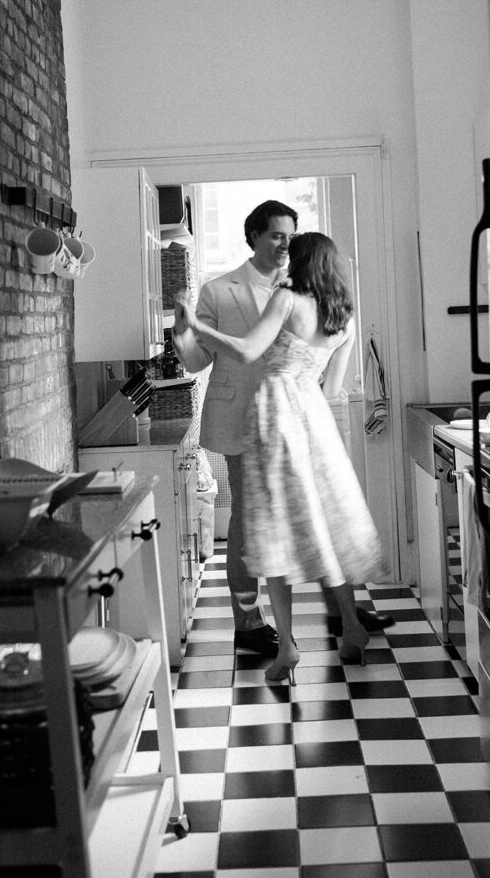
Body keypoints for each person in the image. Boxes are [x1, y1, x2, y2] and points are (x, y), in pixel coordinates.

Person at [174, 219, 392, 673]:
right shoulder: (342, 318)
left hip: (275, 416)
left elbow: (249, 350)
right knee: (325, 523)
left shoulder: (287, 298)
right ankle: (351, 627)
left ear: (305, 261)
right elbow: (332, 387)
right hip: (313, 418)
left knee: (271, 529)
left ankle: (288, 646)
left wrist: (196, 327)